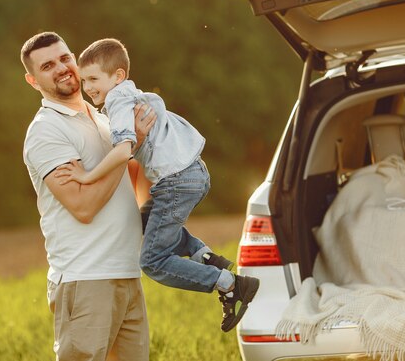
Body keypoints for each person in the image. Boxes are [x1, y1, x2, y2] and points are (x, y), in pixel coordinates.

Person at [55, 38, 260, 332]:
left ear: (117, 76)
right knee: (140, 222)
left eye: (93, 79)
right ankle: (204, 255)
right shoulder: (128, 96)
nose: (87, 87)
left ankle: (230, 284)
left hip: (176, 182)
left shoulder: (117, 100)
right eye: (84, 79)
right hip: (191, 174)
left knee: (152, 261)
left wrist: (86, 176)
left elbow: (125, 148)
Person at [21, 31, 156, 361]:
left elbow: (130, 184)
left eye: (65, 58)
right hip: (86, 279)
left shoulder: (104, 119)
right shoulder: (46, 130)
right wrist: (128, 149)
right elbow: (83, 206)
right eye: (48, 65)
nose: (63, 68)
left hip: (126, 272)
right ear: (33, 80)